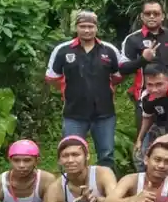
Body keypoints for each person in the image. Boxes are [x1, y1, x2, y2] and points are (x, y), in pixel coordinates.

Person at [45, 11, 123, 171]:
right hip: (74, 114)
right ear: (76, 27)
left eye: (90, 26)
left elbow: (118, 76)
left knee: (106, 154)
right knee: (71, 154)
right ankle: (73, 185)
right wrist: (70, 89)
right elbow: (52, 77)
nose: (87, 30)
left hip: (104, 113)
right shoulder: (62, 50)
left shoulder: (109, 50)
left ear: (96, 28)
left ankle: (106, 185)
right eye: (82, 26)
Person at [120, 1, 168, 140]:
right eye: (148, 13)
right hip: (145, 96)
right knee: (145, 140)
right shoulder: (132, 39)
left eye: (156, 13)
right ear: (142, 16)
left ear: (162, 16)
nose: (152, 16)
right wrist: (143, 59)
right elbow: (122, 69)